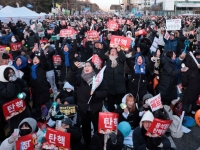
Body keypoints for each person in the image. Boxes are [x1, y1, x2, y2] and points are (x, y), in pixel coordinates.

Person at [66, 61, 107, 149]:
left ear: (93, 68)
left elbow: (105, 92)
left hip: (95, 108)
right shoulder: (80, 78)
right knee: (85, 128)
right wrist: (73, 68)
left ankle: (97, 144)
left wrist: (95, 94)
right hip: (83, 108)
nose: (86, 67)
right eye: (85, 66)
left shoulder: (98, 79)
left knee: (97, 128)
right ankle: (87, 143)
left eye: (89, 66)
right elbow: (69, 78)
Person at [0, 65, 31, 133]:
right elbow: (8, 94)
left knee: (27, 120)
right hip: (11, 109)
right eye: (9, 73)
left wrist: (24, 93)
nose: (11, 75)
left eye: (12, 72)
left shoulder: (17, 80)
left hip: (21, 104)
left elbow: (25, 86)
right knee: (15, 126)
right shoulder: (1, 84)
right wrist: (11, 82)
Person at [101, 47, 126, 112]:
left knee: (121, 104)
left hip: (119, 87)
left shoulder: (119, 58)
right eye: (111, 51)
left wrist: (120, 50)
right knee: (110, 105)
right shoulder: (107, 59)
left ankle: (123, 115)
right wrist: (101, 48)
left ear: (116, 52)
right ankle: (111, 117)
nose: (112, 52)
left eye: (114, 51)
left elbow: (124, 58)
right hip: (110, 87)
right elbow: (101, 55)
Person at [29, 49, 50, 120]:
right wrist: (33, 51)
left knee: (44, 104)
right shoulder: (31, 68)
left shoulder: (42, 67)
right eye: (34, 59)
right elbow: (29, 57)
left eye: (37, 59)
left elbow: (44, 61)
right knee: (37, 105)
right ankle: (38, 117)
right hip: (35, 90)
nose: (35, 60)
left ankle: (46, 116)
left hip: (43, 89)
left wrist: (41, 54)